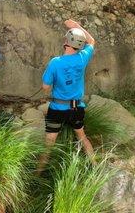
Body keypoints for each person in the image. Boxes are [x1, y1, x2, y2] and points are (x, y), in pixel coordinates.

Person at [38, 19, 96, 170]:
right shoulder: (83, 57)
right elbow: (91, 41)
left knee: (48, 144)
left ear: (66, 42)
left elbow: (45, 86)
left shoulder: (55, 62)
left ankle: (38, 174)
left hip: (57, 109)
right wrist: (77, 26)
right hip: (77, 108)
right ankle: (96, 166)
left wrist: (48, 88)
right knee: (82, 137)